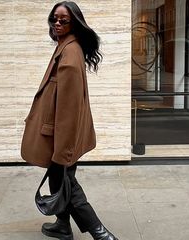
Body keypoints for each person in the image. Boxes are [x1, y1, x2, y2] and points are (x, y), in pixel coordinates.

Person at [21, 1, 119, 240]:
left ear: (74, 23)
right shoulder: (65, 47)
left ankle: (101, 233)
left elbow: (69, 109)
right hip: (57, 134)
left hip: (60, 137)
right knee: (59, 181)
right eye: (54, 19)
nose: (57, 23)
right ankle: (62, 225)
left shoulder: (71, 53)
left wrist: (63, 150)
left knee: (67, 185)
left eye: (64, 20)